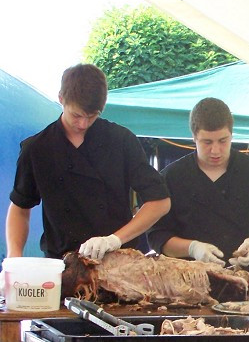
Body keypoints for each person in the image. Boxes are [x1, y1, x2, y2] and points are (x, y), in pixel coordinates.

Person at [6, 63, 170, 260]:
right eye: (76, 115)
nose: (83, 124)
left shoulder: (121, 140)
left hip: (119, 259)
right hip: (61, 263)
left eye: (92, 117)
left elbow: (160, 202)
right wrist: (14, 257)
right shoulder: (37, 149)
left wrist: (114, 240)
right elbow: (20, 208)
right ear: (61, 99)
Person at [147, 98, 249, 273]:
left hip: (248, 284)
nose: (215, 150)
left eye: (223, 141)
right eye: (207, 142)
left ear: (232, 135)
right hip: (189, 287)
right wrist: (192, 248)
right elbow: (158, 237)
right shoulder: (171, 177)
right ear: (194, 137)